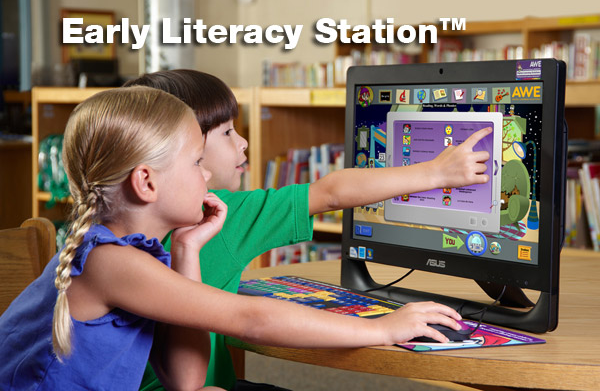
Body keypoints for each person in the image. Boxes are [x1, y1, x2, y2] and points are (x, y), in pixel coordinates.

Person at [0, 86, 470, 391]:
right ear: (146, 183)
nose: (208, 175)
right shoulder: (110, 262)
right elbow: (251, 319)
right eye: (196, 162)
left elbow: (185, 382)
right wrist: (382, 328)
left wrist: (187, 250)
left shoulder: (139, 252)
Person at [125, 70, 493, 391]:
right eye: (227, 132)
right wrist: (436, 173)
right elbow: (330, 193)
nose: (243, 142)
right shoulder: (222, 214)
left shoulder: (127, 230)